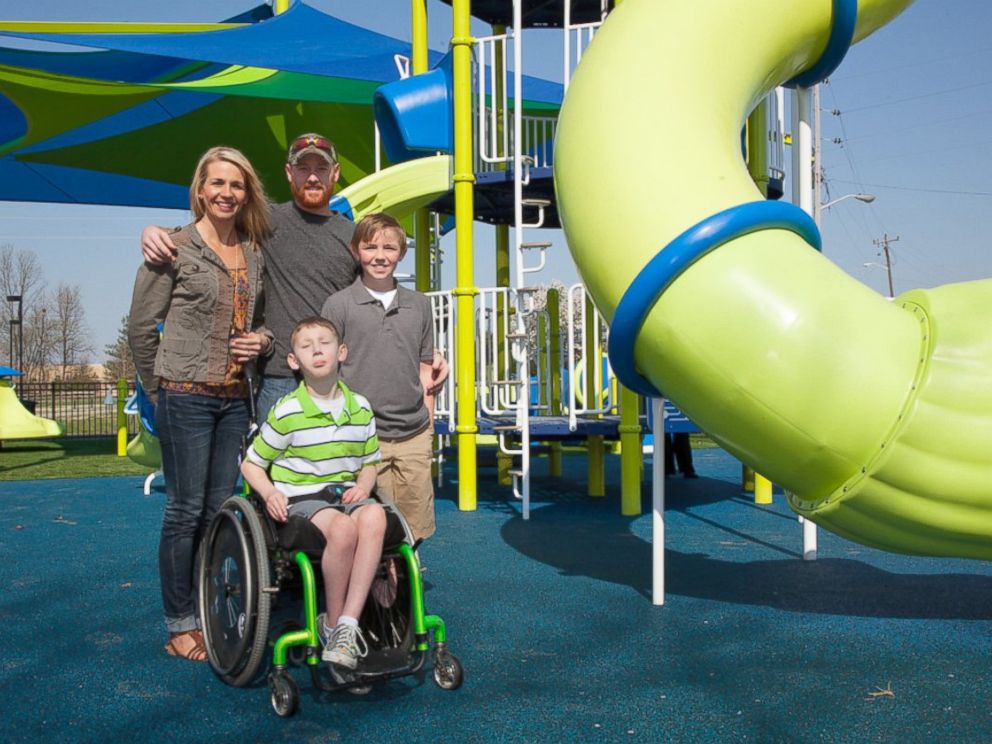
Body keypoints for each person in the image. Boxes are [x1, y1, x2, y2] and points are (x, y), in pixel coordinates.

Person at [140, 133, 447, 421]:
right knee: (277, 474)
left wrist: (426, 353)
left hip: (338, 377)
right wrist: (157, 233)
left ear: (335, 173)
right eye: (303, 168)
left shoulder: (354, 237)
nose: (312, 176)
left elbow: (378, 300)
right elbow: (209, 231)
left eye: (321, 168)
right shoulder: (264, 221)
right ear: (289, 173)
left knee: (341, 472)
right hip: (279, 378)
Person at [128, 146, 273, 662]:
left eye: (236, 185)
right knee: (184, 511)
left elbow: (262, 323)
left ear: (246, 192)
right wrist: (157, 387)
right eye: (217, 184)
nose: (226, 193)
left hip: (235, 399)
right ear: (200, 190)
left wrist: (263, 342)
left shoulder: (254, 252)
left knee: (219, 510)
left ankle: (210, 610)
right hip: (185, 398)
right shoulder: (174, 247)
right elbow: (141, 328)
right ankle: (180, 622)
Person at [241, 316, 385, 677]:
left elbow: (369, 463)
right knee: (343, 529)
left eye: (325, 343)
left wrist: (366, 486)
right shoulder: (289, 411)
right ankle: (332, 621)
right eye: (307, 346)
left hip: (346, 493)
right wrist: (270, 491)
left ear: (342, 352)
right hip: (302, 498)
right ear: (294, 361)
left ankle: (345, 627)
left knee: (375, 516)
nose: (317, 350)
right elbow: (252, 465)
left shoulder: (361, 407)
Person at [321, 213, 437, 542]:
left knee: (415, 522)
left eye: (389, 247)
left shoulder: (420, 305)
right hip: (362, 435)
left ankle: (402, 580)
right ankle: (378, 582)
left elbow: (425, 366)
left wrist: (427, 422)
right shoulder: (338, 305)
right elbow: (326, 371)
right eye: (370, 247)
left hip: (413, 433)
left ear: (402, 252)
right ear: (355, 251)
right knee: (368, 522)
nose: (380, 255)